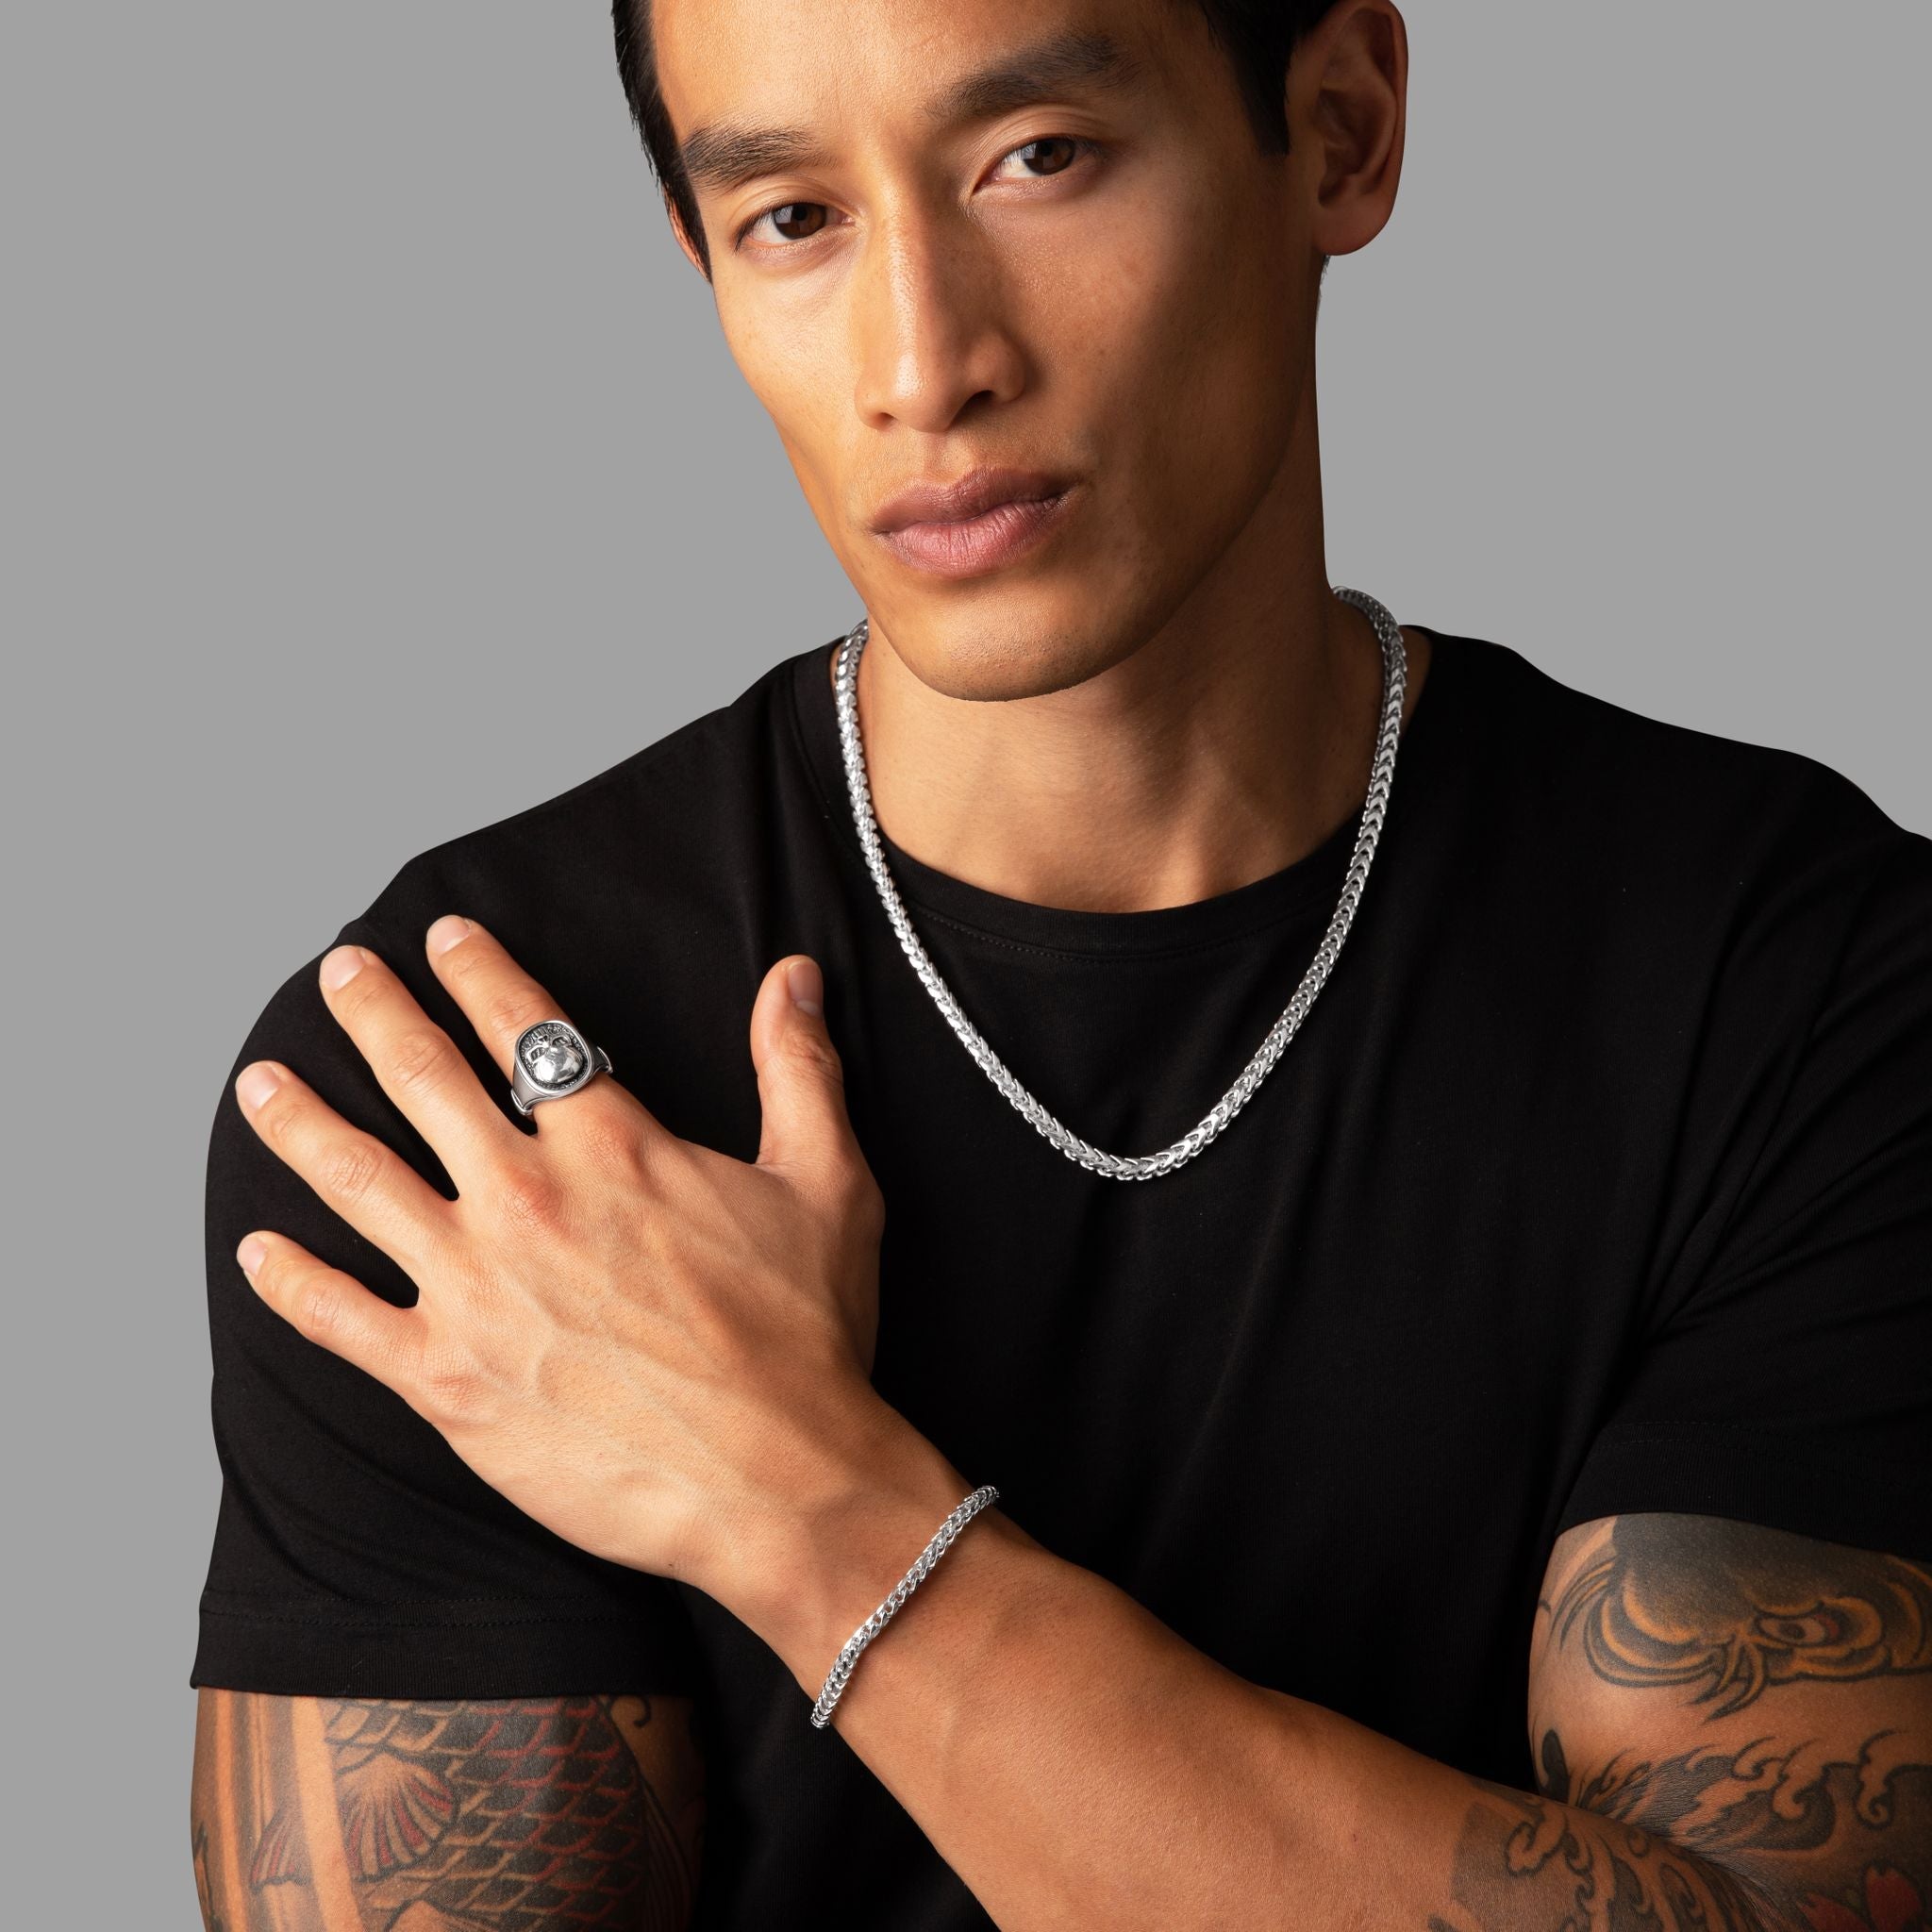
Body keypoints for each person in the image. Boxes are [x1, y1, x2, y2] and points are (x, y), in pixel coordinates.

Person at [187, 0, 1932, 1926]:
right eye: (790, 215)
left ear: (1339, 133)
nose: (925, 364)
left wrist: (810, 1510)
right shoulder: (474, 1110)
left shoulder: (1809, 990)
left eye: (1039, 160)